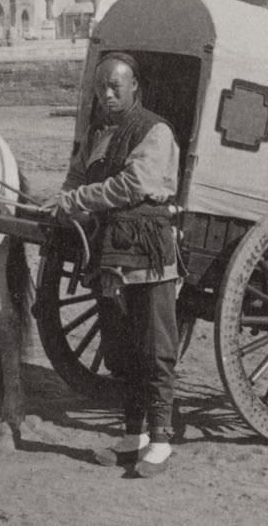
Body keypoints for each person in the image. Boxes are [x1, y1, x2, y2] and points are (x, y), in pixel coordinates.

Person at [41, 52, 180, 478]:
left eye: (115, 87)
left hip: (147, 250)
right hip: (108, 255)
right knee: (120, 349)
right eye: (100, 87)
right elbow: (76, 176)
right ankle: (133, 436)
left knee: (154, 349)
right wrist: (64, 203)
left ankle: (160, 440)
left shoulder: (154, 130)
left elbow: (134, 184)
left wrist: (76, 201)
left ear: (134, 85)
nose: (106, 95)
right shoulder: (97, 132)